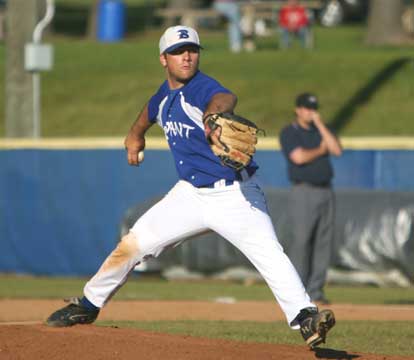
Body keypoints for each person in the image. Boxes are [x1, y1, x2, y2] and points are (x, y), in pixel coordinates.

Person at [46, 25, 335, 348]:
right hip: (190, 195)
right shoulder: (165, 95)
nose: (186, 56)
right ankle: (87, 305)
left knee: (270, 254)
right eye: (177, 51)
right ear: (163, 59)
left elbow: (224, 97)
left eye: (192, 50)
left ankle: (307, 317)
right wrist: (135, 135)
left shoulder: (202, 88)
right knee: (133, 245)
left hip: (234, 195)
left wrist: (213, 116)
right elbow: (150, 111)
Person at [279, 93, 342, 305]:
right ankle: (297, 293)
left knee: (323, 243)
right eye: (306, 108)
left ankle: (316, 291)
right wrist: (320, 150)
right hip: (303, 192)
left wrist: (321, 125)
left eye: (313, 108)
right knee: (302, 242)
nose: (310, 112)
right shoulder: (290, 132)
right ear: (298, 109)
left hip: (326, 191)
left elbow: (336, 149)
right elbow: (299, 157)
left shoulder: (321, 131)